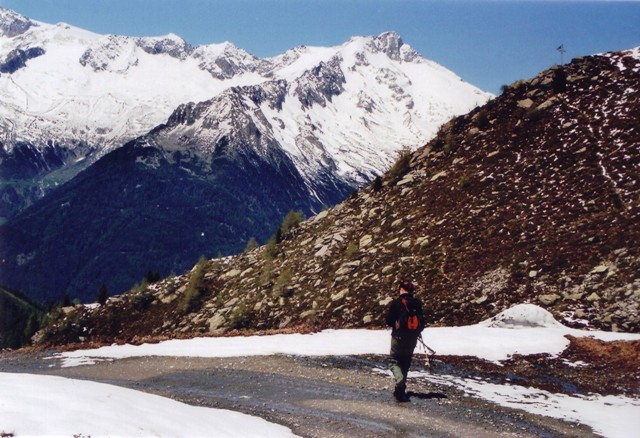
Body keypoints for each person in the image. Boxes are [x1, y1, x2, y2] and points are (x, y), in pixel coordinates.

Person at [385, 278, 425, 402]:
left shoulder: (397, 302)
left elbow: (389, 321)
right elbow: (422, 322)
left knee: (394, 361)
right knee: (406, 362)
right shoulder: (417, 303)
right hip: (412, 337)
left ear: (401, 289)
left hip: (398, 336)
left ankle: (399, 380)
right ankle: (400, 391)